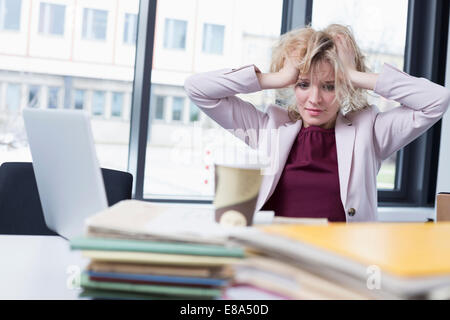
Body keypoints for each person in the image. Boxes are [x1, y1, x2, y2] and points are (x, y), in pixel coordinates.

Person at [184, 24, 450, 222]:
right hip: (275, 261)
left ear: (345, 87)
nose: (315, 99)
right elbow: (197, 89)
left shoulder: (370, 132)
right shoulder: (268, 128)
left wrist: (354, 74)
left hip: (339, 266)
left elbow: (437, 100)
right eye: (303, 84)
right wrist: (274, 78)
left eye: (329, 86)